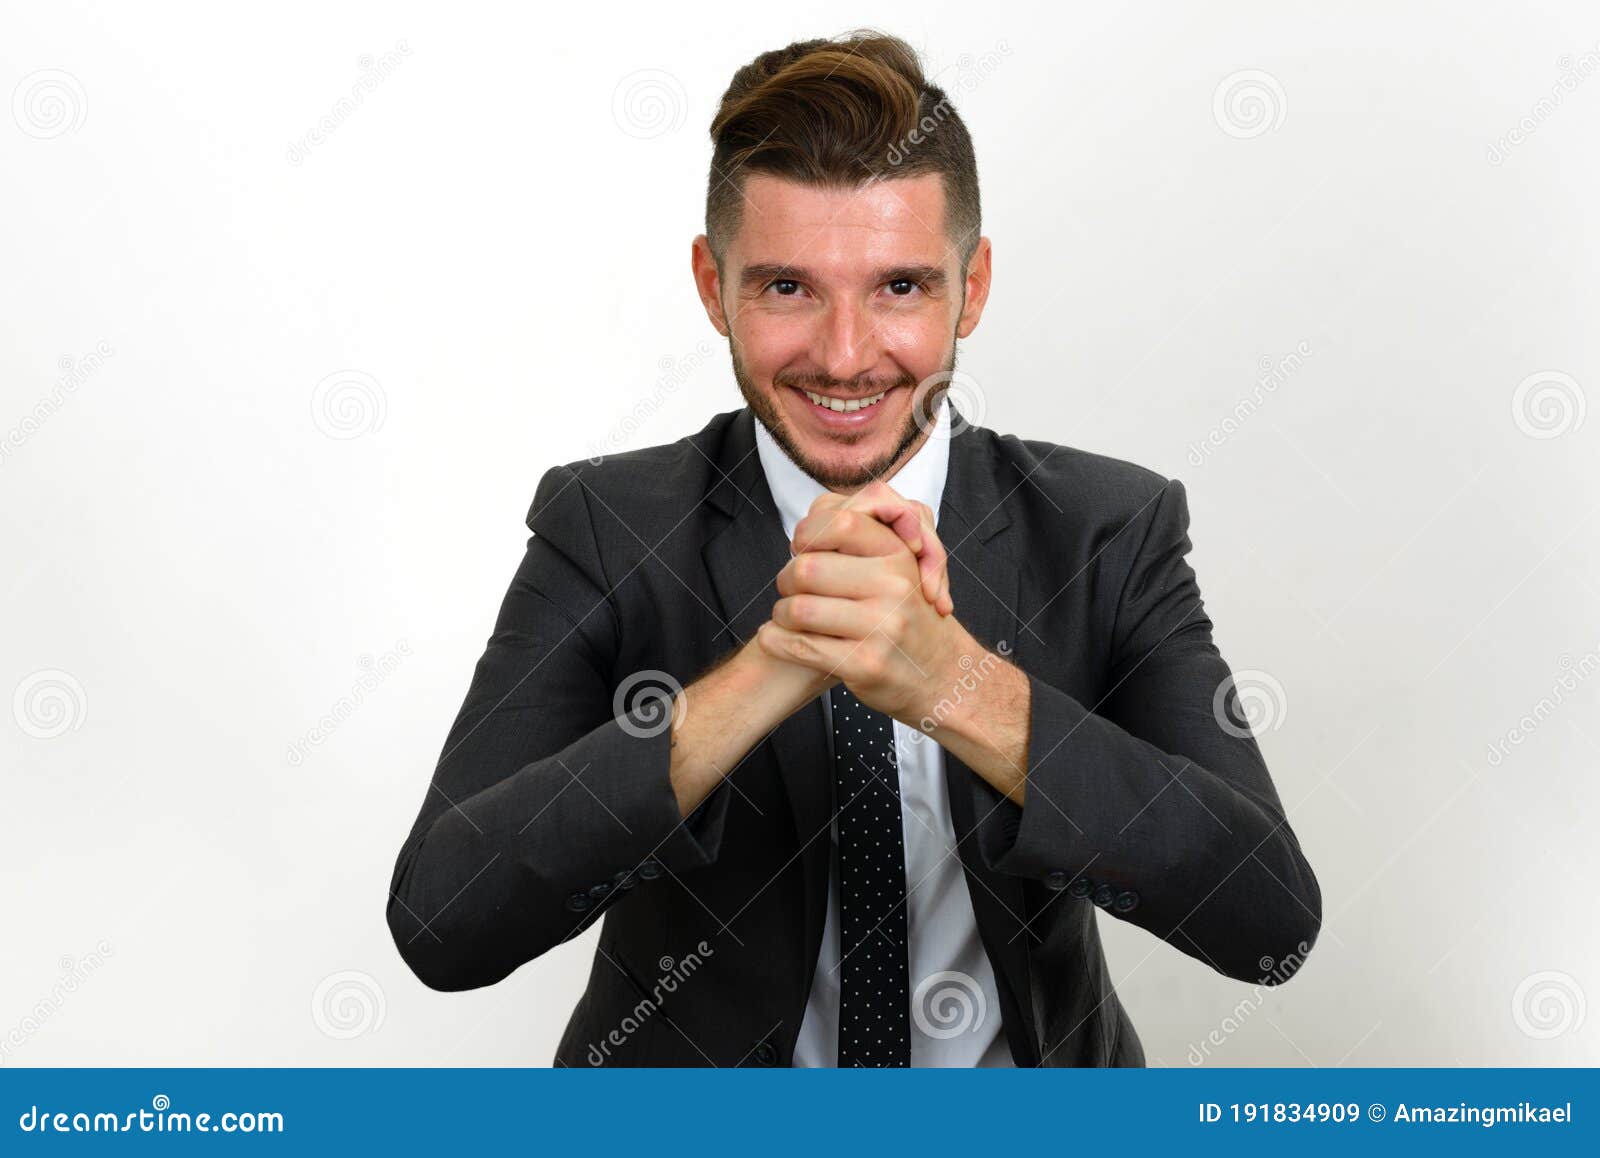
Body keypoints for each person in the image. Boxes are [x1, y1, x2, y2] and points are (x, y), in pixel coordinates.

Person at [385, 30, 1321, 1068]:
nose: (843, 355)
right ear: (713, 285)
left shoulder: (1107, 528)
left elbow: (1267, 923)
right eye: (787, 288)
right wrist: (767, 670)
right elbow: (445, 922)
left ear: (971, 288)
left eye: (900, 288)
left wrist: (955, 684)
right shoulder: (607, 527)